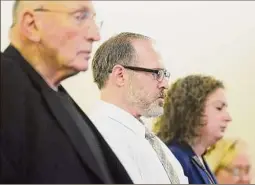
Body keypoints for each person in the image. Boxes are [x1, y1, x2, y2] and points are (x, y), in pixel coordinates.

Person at [0, 1, 132, 183]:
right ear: (32, 25)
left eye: (93, 20)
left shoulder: (54, 93)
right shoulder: (7, 90)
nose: (95, 35)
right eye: (80, 17)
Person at [89, 32, 188, 184]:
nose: (165, 84)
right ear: (121, 75)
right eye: (156, 73)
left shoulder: (147, 138)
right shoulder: (103, 137)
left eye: (164, 74)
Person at [153, 75, 232, 184]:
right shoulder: (175, 158)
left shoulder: (197, 158)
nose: (228, 118)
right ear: (193, 111)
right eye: (219, 108)